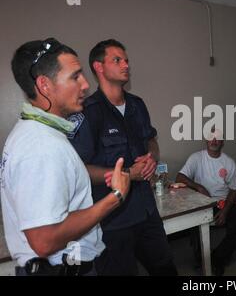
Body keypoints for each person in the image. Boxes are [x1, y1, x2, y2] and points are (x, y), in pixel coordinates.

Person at [0, 38, 130, 276]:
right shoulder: (40, 145)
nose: (85, 85)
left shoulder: (38, 132)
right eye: (75, 77)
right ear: (44, 85)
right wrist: (115, 197)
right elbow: (44, 240)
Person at [68, 39, 177, 275]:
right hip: (113, 221)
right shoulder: (87, 112)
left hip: (147, 212)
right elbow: (78, 169)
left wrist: (152, 158)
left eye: (126, 60)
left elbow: (151, 139)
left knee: (166, 269)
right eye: (117, 60)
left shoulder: (138, 105)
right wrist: (128, 173)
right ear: (98, 67)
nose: (125, 64)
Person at [176, 129, 236, 276]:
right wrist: (198, 186)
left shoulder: (229, 162)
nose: (214, 141)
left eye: (218, 138)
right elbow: (179, 177)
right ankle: (201, 259)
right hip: (201, 203)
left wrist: (225, 211)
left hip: (223, 203)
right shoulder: (196, 158)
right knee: (194, 222)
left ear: (222, 142)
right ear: (206, 140)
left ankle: (217, 258)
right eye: (211, 138)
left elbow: (234, 190)